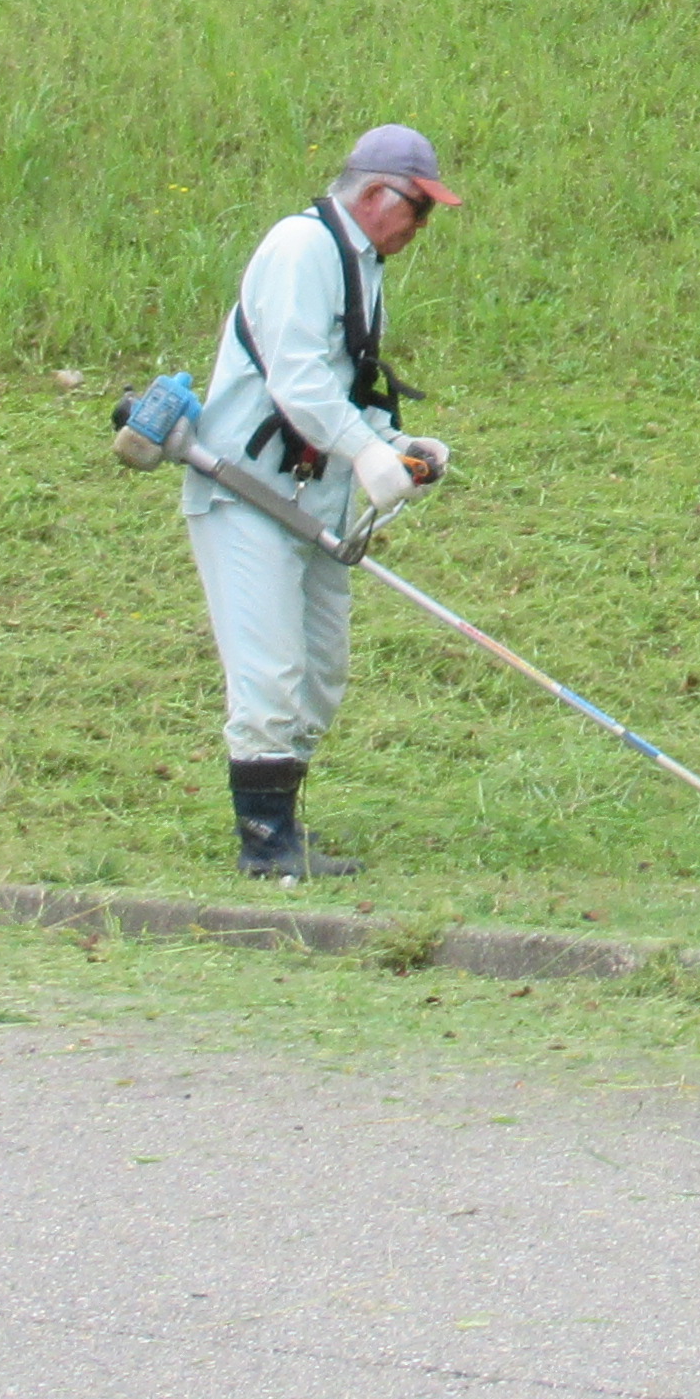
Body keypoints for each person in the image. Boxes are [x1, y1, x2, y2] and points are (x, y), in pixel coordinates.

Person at [188, 124, 462, 879]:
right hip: (247, 495)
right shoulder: (300, 248)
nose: (422, 226)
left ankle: (286, 826)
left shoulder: (361, 263)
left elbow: (343, 386)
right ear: (378, 194)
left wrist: (396, 443)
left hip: (310, 500)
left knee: (319, 671)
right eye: (420, 208)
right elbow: (297, 382)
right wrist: (368, 452)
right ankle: (265, 845)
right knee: (271, 671)